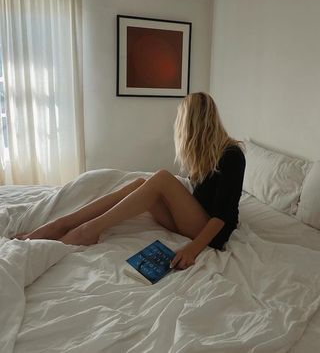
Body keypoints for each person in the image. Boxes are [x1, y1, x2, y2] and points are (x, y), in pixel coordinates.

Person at [16, 92, 246, 270]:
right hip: (196, 222)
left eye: (182, 121)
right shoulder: (207, 155)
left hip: (212, 232)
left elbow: (222, 215)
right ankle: (63, 224)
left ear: (195, 125)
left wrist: (192, 250)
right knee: (140, 184)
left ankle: (89, 230)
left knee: (162, 178)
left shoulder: (232, 155)